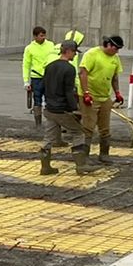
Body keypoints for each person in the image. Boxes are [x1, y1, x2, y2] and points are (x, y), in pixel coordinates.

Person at [39, 39, 92, 175]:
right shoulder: (69, 69)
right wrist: (74, 109)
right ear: (68, 51)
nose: (75, 55)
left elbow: (43, 87)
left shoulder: (49, 66)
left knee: (48, 138)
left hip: (50, 108)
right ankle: (81, 166)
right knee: (78, 133)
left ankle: (45, 167)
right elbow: (69, 91)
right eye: (74, 52)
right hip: (62, 109)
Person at [78, 35, 125, 163]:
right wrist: (86, 93)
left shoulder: (115, 58)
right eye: (116, 48)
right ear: (108, 45)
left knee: (105, 128)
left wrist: (117, 92)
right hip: (90, 97)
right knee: (88, 127)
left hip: (105, 98)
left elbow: (114, 77)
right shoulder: (92, 54)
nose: (117, 52)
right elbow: (83, 73)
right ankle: (84, 156)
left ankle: (104, 154)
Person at [21, 26, 57, 126]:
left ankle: (50, 123)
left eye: (44, 35)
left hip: (49, 76)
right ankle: (38, 123)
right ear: (35, 36)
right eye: (41, 36)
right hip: (36, 77)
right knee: (37, 100)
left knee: (50, 100)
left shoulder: (50, 45)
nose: (44, 37)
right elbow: (26, 65)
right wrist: (26, 81)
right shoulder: (29, 48)